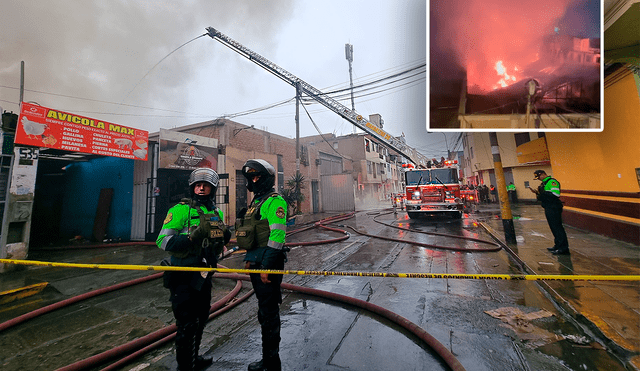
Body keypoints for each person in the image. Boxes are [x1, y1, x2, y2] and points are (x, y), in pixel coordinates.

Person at [157, 167, 230, 370]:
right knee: (186, 324)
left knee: (201, 318)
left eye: (205, 186)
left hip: (204, 275)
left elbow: (219, 240)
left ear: (212, 189)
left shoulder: (216, 212)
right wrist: (191, 238)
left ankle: (194, 358)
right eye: (197, 185)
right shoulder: (179, 210)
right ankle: (184, 366)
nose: (201, 189)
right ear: (192, 187)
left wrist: (225, 236)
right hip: (183, 276)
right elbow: (163, 241)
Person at [235, 159, 288, 371]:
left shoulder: (275, 201)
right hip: (257, 262)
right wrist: (250, 259)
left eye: (258, 177)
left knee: (269, 313)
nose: (255, 181)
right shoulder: (256, 202)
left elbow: (276, 236)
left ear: (267, 179)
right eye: (252, 177)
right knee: (263, 312)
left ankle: (271, 363)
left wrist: (266, 266)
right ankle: (267, 359)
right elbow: (255, 235)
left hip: (269, 264)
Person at [529, 170, 569, 255]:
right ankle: (557, 245)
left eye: (539, 177)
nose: (539, 179)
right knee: (553, 228)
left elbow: (556, 194)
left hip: (554, 207)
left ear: (543, 174)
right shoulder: (544, 183)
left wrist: (543, 193)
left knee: (558, 228)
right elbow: (543, 196)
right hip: (548, 207)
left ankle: (563, 248)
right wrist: (537, 193)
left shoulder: (552, 182)